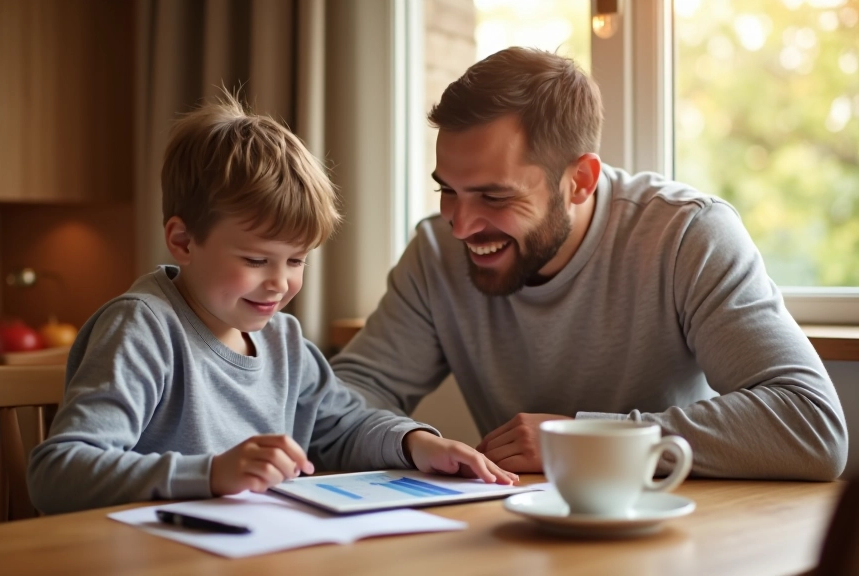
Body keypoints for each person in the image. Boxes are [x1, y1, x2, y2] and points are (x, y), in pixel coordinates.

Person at [331, 47, 847, 481]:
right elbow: (337, 402)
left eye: (493, 196)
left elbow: (812, 426)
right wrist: (411, 440)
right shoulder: (435, 254)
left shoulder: (686, 235)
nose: (461, 226)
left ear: (580, 180)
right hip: (510, 535)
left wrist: (585, 442)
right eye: (448, 191)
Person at [27, 91, 516, 514]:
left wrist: (416, 444)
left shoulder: (281, 338)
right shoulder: (143, 328)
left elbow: (343, 425)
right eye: (257, 259)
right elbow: (58, 472)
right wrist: (211, 474)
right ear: (183, 240)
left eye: (297, 260)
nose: (280, 284)